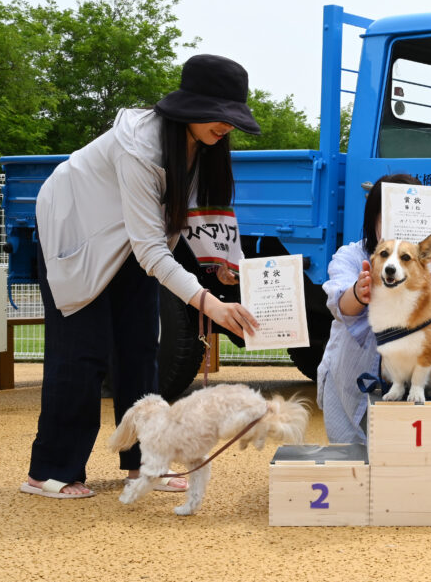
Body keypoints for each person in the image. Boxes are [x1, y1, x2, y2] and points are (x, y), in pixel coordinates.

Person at [20, 54, 262, 498]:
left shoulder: (203, 147)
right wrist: (209, 303)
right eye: (220, 114)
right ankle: (49, 471)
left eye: (234, 117)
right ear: (190, 108)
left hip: (130, 238)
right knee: (82, 350)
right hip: (77, 230)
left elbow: (201, 219)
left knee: (140, 348)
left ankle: (145, 463)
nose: (227, 126)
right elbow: (152, 249)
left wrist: (226, 265)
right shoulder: (139, 146)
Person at [316, 174, 431, 443]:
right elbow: (339, 305)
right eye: (391, 215)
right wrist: (360, 292)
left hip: (423, 379)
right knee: (356, 457)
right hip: (356, 374)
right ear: (374, 220)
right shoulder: (352, 256)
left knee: (420, 457)